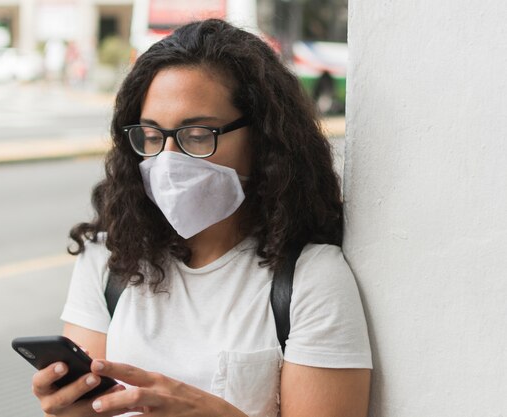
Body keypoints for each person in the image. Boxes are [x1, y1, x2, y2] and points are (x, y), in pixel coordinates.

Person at [31, 19, 372, 417]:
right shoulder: (108, 259)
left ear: (263, 138)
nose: (169, 162)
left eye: (197, 135)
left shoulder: (311, 279)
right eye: (153, 136)